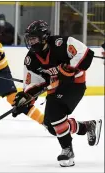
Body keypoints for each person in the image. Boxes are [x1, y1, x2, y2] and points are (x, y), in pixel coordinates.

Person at [12, 20, 102, 167]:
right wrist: (25, 98)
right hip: (55, 88)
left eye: (34, 38)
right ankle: (87, 127)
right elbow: (33, 83)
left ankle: (67, 150)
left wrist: (70, 69)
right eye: (29, 39)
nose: (31, 42)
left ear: (44, 37)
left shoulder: (62, 43)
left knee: (55, 112)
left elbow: (86, 53)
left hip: (74, 84)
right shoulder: (31, 59)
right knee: (51, 126)